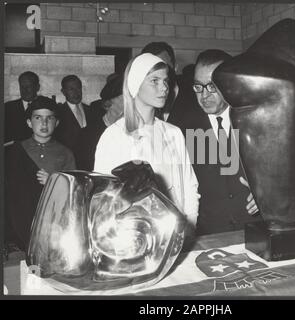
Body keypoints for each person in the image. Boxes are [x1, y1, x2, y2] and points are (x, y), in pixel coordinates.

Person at [94, 53, 200, 241]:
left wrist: (189, 228)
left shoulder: (173, 132)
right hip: (135, 238)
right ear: (135, 85)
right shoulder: (114, 136)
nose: (164, 88)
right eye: (155, 81)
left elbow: (189, 186)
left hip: (177, 234)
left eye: (165, 81)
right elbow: (104, 201)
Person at [174, 49, 260, 235]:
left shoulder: (257, 121)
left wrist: (267, 194)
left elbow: (282, 172)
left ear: (230, 83)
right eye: (198, 87)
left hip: (255, 230)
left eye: (212, 86)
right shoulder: (182, 128)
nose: (204, 95)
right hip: (208, 236)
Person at [5, 96, 76, 251]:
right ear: (29, 122)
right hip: (19, 225)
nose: (44, 123)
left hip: (53, 226)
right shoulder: (15, 151)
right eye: (38, 118)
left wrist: (54, 182)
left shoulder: (65, 153)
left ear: (56, 123)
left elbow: (73, 192)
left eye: (49, 118)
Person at [55, 74, 93, 170]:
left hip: (91, 166)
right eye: (71, 89)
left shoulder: (91, 110)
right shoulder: (58, 113)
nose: (76, 92)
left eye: (78, 88)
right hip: (69, 167)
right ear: (63, 92)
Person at [141, 42, 178, 121]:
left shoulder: (196, 99)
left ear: (175, 67)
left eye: (162, 66)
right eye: (152, 68)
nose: (158, 72)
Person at [5, 71, 40, 144]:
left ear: (37, 87)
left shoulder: (47, 106)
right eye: (22, 87)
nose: (25, 90)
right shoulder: (7, 108)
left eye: (29, 86)